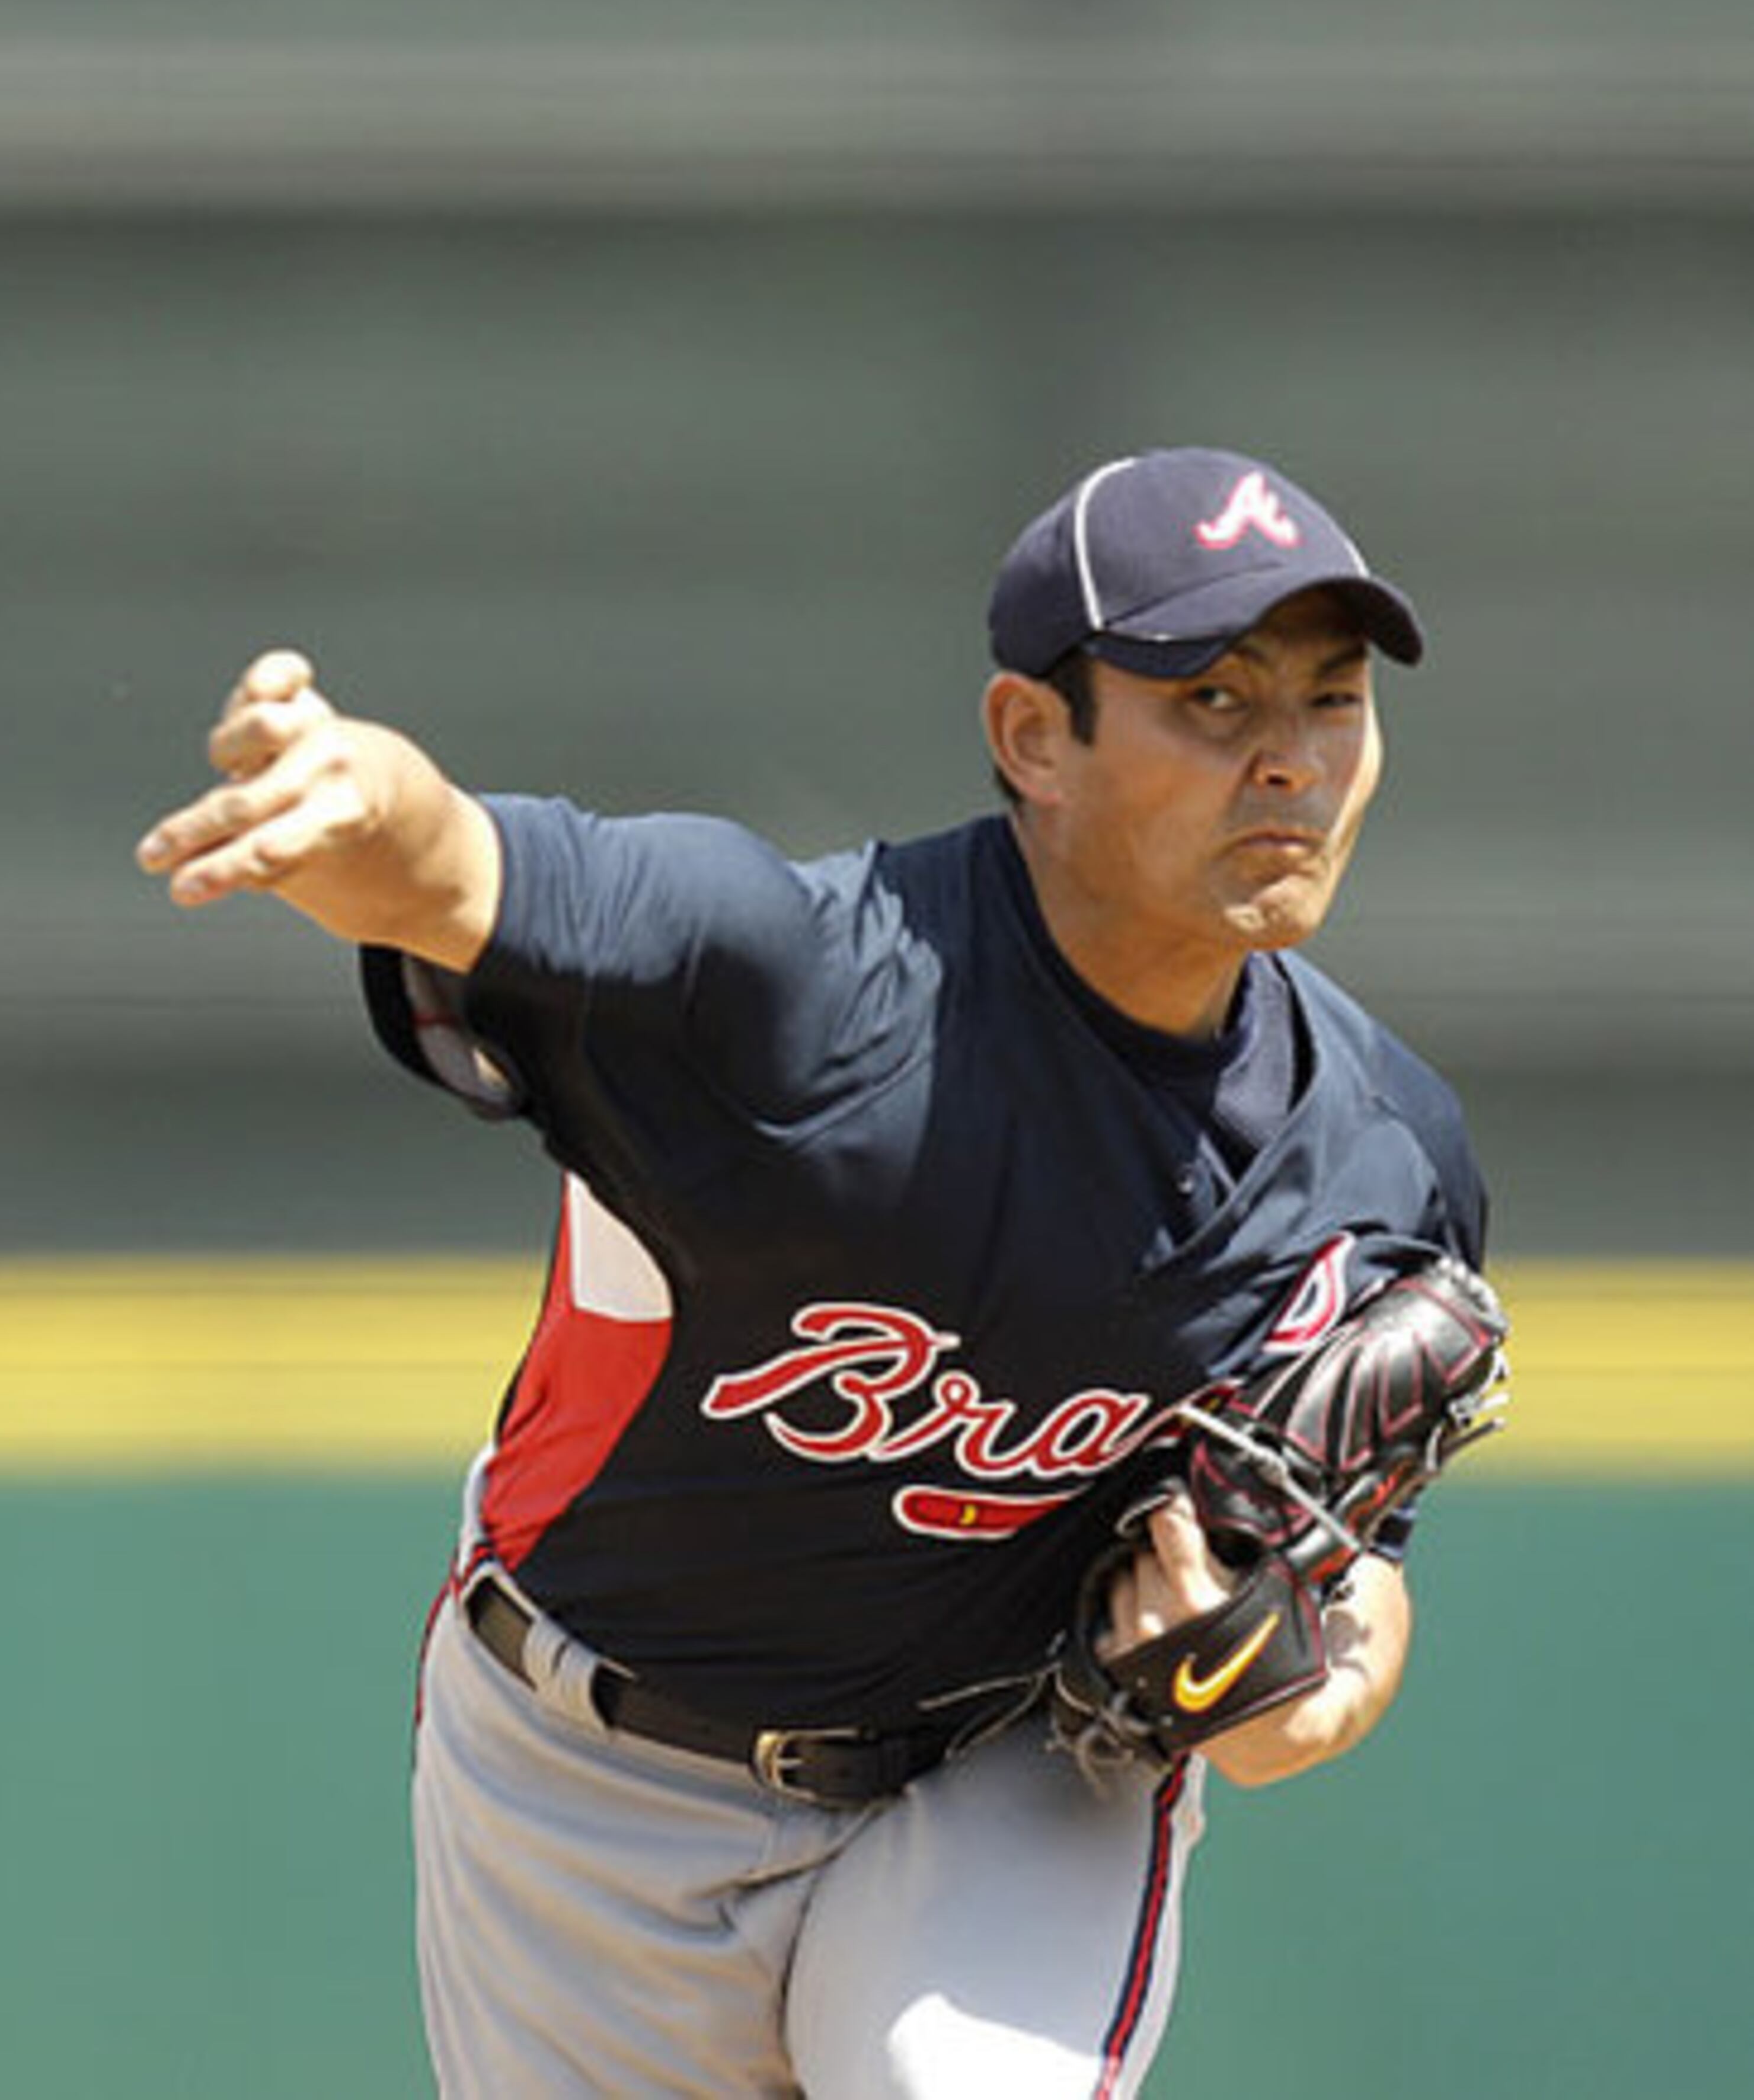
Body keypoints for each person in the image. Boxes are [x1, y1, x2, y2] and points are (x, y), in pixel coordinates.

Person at [136, 446, 1490, 2098]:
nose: (1290, 761)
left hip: (1005, 1771)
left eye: (1333, 702)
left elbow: (1360, 1583)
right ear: (1031, 740)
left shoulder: (1384, 1160)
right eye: (1212, 700)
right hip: (584, 1777)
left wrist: (1299, 1701)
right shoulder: (803, 994)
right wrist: (358, 804)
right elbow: (465, 875)